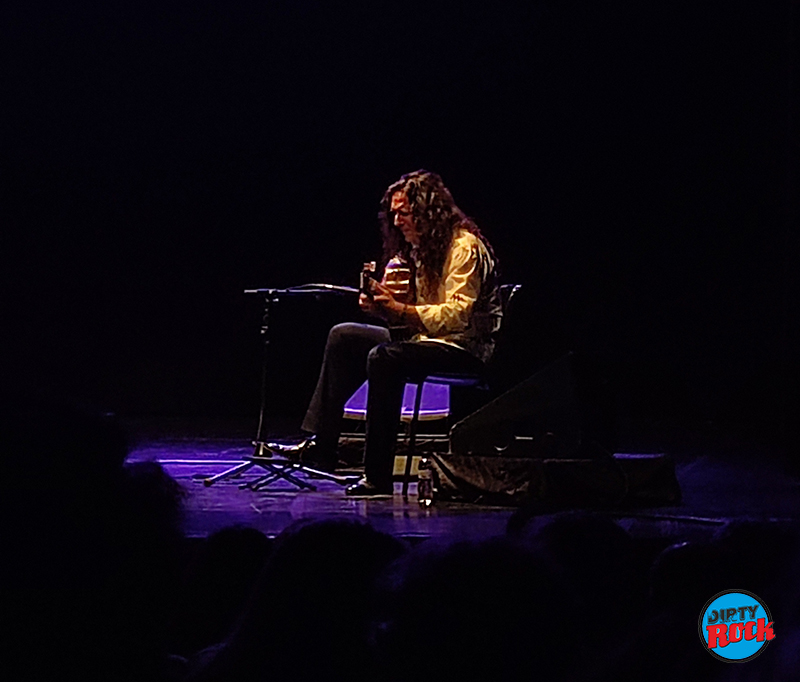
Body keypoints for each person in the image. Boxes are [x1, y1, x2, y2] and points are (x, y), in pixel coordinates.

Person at [290, 170, 502, 496]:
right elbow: (410, 324)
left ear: (427, 211)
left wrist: (400, 310)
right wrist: (382, 308)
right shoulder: (419, 252)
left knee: (386, 357)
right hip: (428, 343)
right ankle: (322, 447)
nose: (397, 220)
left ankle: (377, 476)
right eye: (393, 213)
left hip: (465, 348)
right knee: (345, 335)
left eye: (404, 212)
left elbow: (458, 316)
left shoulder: (464, 248)